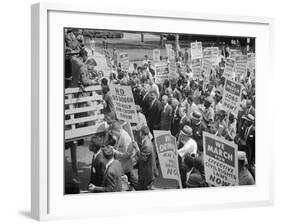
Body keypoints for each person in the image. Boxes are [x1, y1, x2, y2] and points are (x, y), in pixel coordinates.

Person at [110, 121, 138, 189]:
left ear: (119, 130)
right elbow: (117, 145)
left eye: (114, 133)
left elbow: (126, 155)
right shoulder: (119, 135)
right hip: (122, 165)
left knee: (133, 179)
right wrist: (113, 148)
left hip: (126, 164)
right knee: (130, 179)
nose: (114, 135)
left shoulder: (125, 138)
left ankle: (142, 190)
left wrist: (114, 151)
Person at [132, 126, 157, 190]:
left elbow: (143, 158)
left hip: (147, 175)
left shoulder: (147, 145)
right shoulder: (147, 141)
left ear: (141, 133)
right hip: (145, 173)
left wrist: (137, 148)